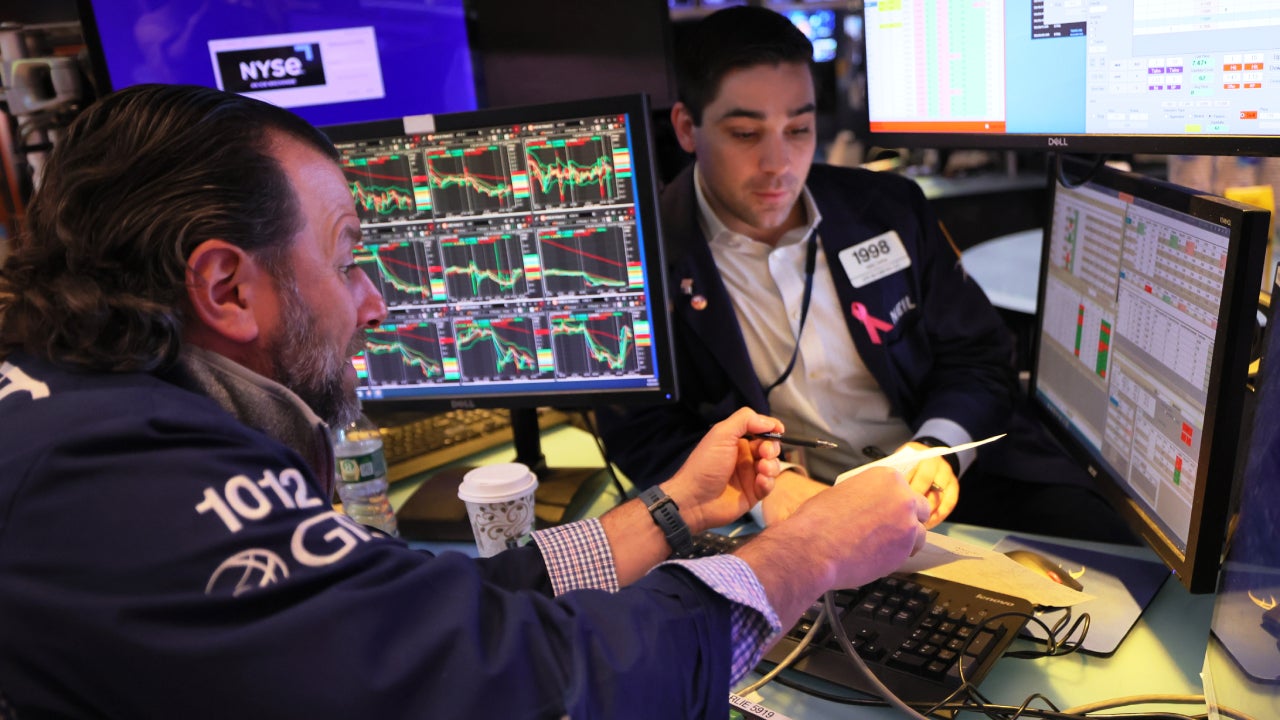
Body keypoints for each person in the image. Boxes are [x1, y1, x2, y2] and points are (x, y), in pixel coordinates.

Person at [0, 83, 930, 719]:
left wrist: (674, 509)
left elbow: (422, 617)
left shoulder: (91, 410)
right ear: (226, 288)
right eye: (346, 257)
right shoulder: (126, 485)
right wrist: (805, 555)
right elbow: (524, 687)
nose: (376, 302)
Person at [597, 6, 1135, 543]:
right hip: (786, 518)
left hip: (951, 484)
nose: (779, 163)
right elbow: (641, 433)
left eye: (800, 128)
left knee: (1110, 546)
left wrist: (935, 449)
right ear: (688, 128)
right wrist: (769, 490)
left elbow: (980, 357)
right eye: (745, 133)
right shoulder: (634, 257)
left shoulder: (887, 207)